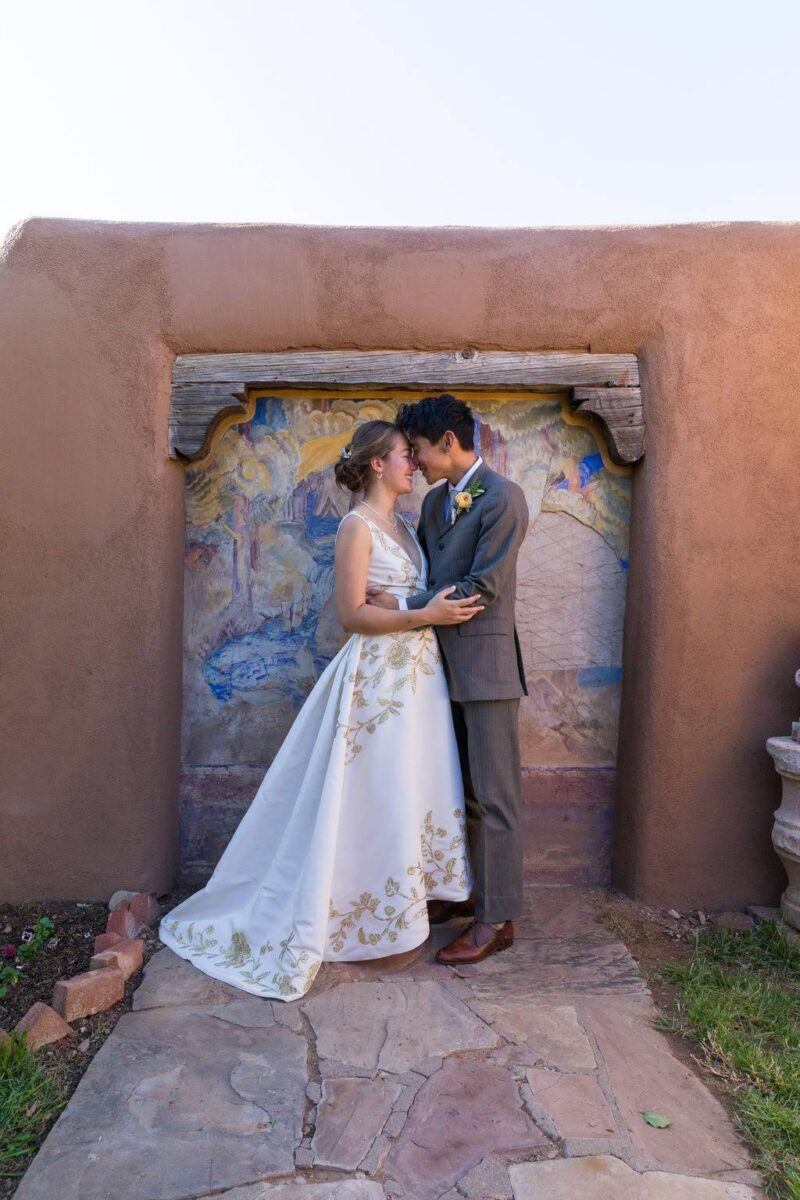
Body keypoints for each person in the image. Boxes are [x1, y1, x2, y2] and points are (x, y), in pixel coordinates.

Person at [159, 420, 483, 1001]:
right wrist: (423, 616)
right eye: (406, 456)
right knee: (374, 793)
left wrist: (419, 611)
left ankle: (402, 914)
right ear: (378, 465)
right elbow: (353, 615)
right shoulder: (356, 528)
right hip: (378, 681)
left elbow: (406, 595)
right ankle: (356, 923)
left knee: (411, 788)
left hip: (418, 679)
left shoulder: (406, 526)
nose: (416, 464)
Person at [367, 395, 529, 965]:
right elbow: (434, 571)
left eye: (419, 450)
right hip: (432, 672)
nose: (416, 461)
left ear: (449, 443)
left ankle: (498, 918)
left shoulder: (506, 499)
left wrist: (405, 601)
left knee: (495, 796)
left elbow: (483, 588)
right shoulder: (436, 504)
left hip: (486, 673)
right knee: (453, 794)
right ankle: (462, 894)